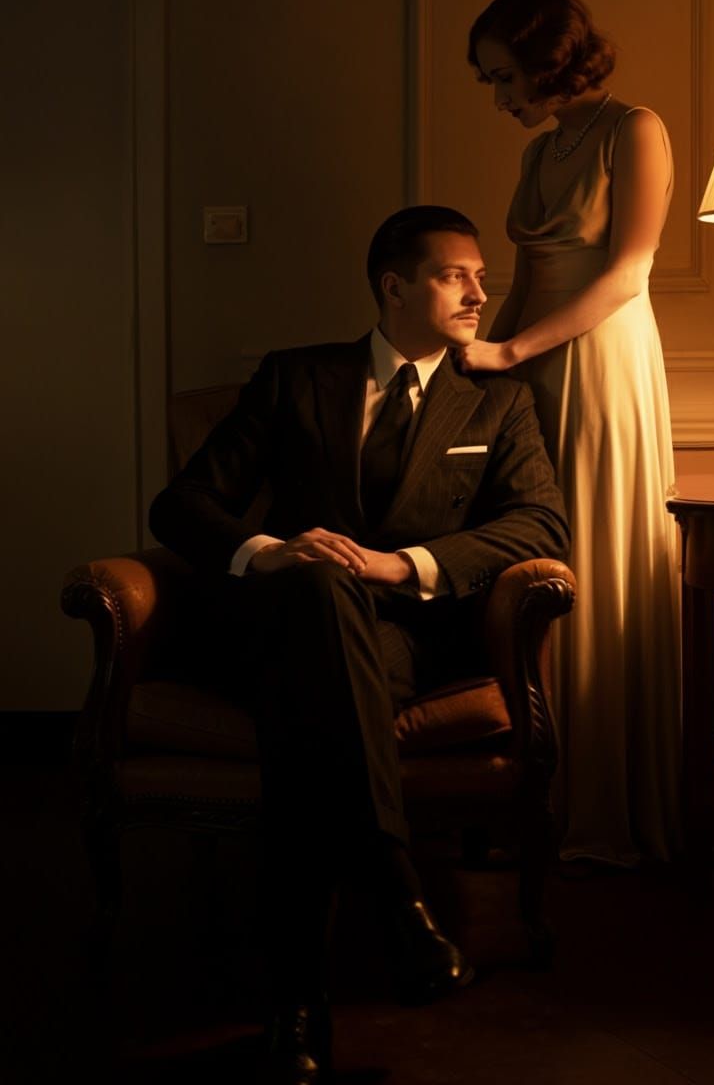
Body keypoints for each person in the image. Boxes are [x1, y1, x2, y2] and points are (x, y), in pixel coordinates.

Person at [149, 204, 568, 1083]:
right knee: (313, 585)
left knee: (315, 723)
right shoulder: (295, 378)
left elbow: (539, 523)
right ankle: (397, 899)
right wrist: (270, 553)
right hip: (274, 627)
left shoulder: (499, 399)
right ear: (393, 286)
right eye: (457, 274)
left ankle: (296, 1005)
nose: (481, 291)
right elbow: (182, 506)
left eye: (480, 275)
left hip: (394, 638)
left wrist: (399, 564)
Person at [463, 0, 681, 868]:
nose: (500, 98)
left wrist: (511, 356)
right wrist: (479, 365)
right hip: (534, 363)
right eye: (489, 82)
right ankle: (533, 793)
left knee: (592, 551)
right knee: (530, 555)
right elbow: (522, 282)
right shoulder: (540, 151)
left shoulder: (636, 129)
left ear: (549, 57)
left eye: (504, 76)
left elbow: (628, 272)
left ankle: (602, 803)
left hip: (601, 359)